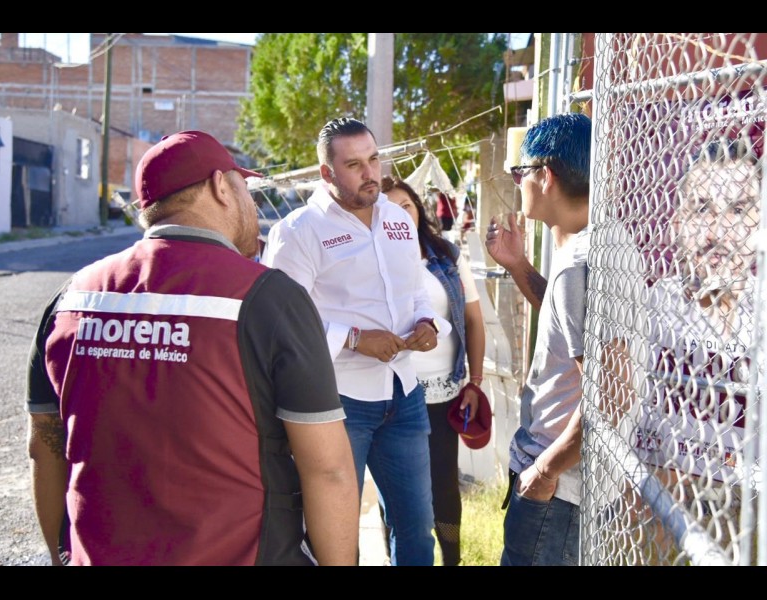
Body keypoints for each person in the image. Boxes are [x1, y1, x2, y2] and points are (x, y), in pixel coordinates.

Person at [26, 130, 360, 566]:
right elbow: (329, 471)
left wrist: (61, 558)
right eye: (244, 188)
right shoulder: (268, 297)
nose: (252, 204)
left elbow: (44, 445)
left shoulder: (72, 297)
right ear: (221, 186)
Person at [262, 117, 450, 566]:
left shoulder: (398, 218)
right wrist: (352, 338)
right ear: (326, 172)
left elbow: (415, 290)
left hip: (404, 394)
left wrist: (427, 322)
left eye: (374, 159)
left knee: (416, 531)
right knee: (335, 539)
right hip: (336, 402)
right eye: (354, 165)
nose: (370, 173)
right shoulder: (298, 231)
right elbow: (278, 319)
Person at [602, 138, 761, 563]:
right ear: (676, 223)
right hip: (655, 500)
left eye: (739, 210)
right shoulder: (654, 305)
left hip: (747, 510)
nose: (718, 233)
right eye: (703, 208)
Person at [485, 113, 592, 566]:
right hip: (564, 483)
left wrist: (545, 471)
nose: (518, 184)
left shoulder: (577, 266)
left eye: (520, 172)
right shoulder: (596, 248)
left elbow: (608, 394)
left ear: (545, 175)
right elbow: (569, 324)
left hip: (557, 488)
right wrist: (517, 265)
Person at [381, 176, 486, 566]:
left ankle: (452, 558)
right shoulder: (371, 261)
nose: (398, 214)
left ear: (417, 209)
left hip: (443, 394)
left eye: (405, 205)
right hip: (393, 394)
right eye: (388, 208)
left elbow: (473, 320)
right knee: (398, 494)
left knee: (444, 489)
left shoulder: (447, 256)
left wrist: (474, 382)